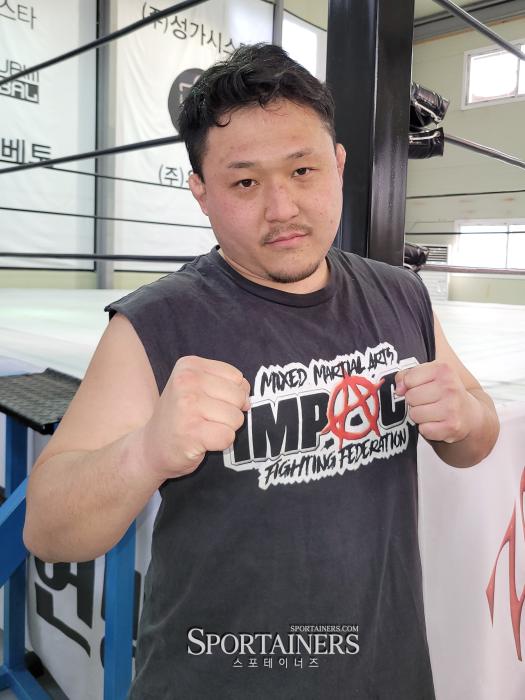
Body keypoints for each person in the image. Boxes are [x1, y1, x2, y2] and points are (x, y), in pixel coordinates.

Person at [24, 43, 499, 699]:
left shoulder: (399, 294)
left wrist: (464, 417)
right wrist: (146, 451)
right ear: (201, 192)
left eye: (302, 170)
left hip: (387, 677)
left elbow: (475, 438)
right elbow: (48, 529)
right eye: (245, 183)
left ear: (337, 165)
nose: (282, 208)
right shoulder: (157, 323)